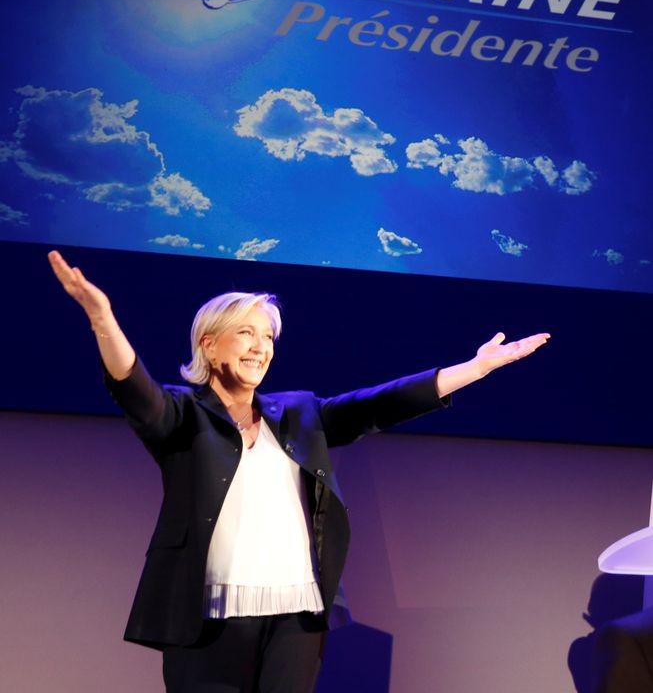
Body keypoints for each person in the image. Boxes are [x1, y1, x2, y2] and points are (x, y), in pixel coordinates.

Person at [48, 249, 550, 693]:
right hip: (208, 617)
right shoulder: (183, 414)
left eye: (267, 336)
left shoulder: (299, 412)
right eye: (245, 333)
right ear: (209, 344)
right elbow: (135, 388)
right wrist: (102, 318)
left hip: (296, 617)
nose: (260, 346)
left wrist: (475, 368)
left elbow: (380, 403)